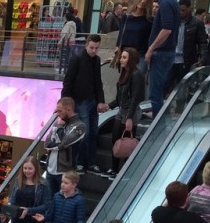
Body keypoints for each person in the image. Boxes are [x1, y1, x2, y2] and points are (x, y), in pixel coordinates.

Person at [62, 33, 109, 173]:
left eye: (96, 48)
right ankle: (80, 162)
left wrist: (100, 100)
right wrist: (66, 104)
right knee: (85, 133)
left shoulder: (96, 60)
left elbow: (98, 82)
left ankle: (90, 163)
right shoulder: (76, 59)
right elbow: (68, 81)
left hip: (92, 100)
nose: (94, 50)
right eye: (92, 48)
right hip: (81, 101)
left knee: (93, 132)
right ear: (86, 46)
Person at [105, 47, 146, 179]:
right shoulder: (124, 73)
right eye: (121, 57)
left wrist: (129, 118)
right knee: (116, 139)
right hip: (122, 109)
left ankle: (125, 170)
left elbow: (135, 98)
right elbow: (119, 98)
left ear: (131, 60)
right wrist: (109, 106)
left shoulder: (136, 75)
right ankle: (114, 168)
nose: (121, 60)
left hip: (131, 111)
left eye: (124, 57)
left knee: (127, 141)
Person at [146, 0, 180, 116]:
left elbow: (166, 29)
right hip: (167, 52)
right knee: (158, 91)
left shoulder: (166, 3)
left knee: (155, 92)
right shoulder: (173, 2)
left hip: (162, 52)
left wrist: (151, 48)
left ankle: (157, 125)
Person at [10, 156, 50, 223]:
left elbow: (46, 205)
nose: (27, 171)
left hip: (31, 219)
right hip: (17, 218)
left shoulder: (42, 183)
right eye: (25, 168)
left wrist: (29, 210)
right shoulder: (19, 180)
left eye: (30, 168)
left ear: (35, 169)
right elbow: (13, 199)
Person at [43, 97, 86, 196]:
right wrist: (58, 128)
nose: (57, 113)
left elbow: (63, 143)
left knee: (61, 201)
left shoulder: (79, 126)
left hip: (65, 172)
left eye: (60, 110)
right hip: (50, 170)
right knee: (48, 201)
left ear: (69, 110)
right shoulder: (58, 123)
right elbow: (46, 143)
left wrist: (59, 128)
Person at [166, 0, 208, 94]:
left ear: (189, 9)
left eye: (183, 10)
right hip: (171, 58)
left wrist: (202, 58)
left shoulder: (197, 23)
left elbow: (202, 42)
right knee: (165, 85)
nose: (180, 12)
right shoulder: (173, 21)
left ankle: (179, 107)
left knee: (182, 88)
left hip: (186, 60)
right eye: (179, 10)